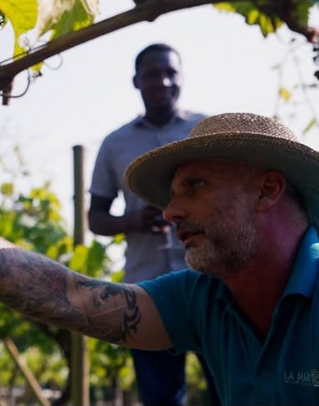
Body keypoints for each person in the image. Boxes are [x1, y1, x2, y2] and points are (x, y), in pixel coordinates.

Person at [0, 114, 319, 405]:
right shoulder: (205, 299)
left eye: (195, 186)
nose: (170, 210)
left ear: (268, 190)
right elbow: (72, 299)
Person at [88, 43, 217, 406]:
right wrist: (134, 220)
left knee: (232, 391)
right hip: (148, 292)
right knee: (160, 398)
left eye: (170, 73)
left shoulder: (205, 131)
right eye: (151, 74)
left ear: (181, 79)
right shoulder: (115, 144)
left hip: (214, 283)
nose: (162, 81)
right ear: (136, 81)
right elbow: (95, 218)